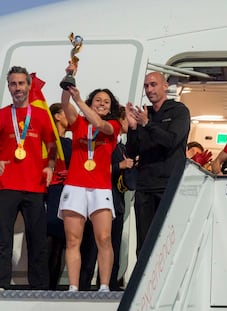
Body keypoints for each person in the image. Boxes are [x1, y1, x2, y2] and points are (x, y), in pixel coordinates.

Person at [0, 66, 57, 290]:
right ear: (9, 87)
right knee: (3, 237)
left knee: (37, 239)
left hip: (35, 186)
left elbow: (52, 146)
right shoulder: (0, 115)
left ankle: (40, 286)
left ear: (28, 85)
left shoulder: (42, 115)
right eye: (13, 84)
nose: (17, 88)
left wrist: (50, 165)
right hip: (7, 184)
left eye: (21, 83)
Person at [58, 63, 121, 292]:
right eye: (98, 101)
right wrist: (70, 76)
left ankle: (103, 286)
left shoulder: (114, 125)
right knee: (73, 240)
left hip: (100, 189)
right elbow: (65, 102)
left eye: (106, 102)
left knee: (104, 238)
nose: (102, 104)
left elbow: (99, 124)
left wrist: (80, 101)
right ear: (91, 101)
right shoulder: (77, 123)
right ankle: (73, 287)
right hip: (75, 186)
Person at [125, 71, 191, 257]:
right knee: (144, 242)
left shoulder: (179, 111)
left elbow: (171, 141)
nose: (149, 89)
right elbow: (131, 152)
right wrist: (132, 128)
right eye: (146, 86)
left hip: (168, 186)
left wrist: (147, 125)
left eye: (153, 84)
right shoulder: (144, 114)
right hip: (145, 186)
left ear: (165, 86)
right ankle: (143, 283)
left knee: (167, 240)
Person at [79, 105, 134, 291]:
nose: (129, 122)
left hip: (117, 201)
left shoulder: (122, 146)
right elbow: (97, 168)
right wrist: (121, 165)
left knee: (114, 245)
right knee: (92, 246)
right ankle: (83, 285)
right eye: (126, 118)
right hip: (99, 199)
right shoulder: (103, 143)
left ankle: (109, 283)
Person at [46, 103, 72, 290]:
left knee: (61, 243)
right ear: (56, 116)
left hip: (68, 194)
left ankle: (53, 287)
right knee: (49, 240)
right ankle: (45, 286)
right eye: (65, 113)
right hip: (50, 193)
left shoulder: (71, 143)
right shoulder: (46, 141)